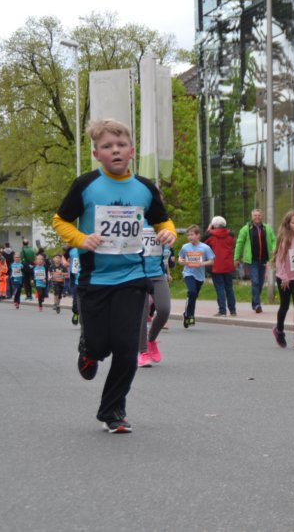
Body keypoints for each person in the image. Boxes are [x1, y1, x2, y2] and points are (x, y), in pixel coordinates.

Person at [52, 118, 176, 434]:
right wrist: (81, 239)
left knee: (126, 348)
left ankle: (113, 410)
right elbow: (60, 221)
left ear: (132, 151)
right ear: (97, 154)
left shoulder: (144, 188)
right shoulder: (85, 185)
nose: (116, 150)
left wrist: (169, 233)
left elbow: (163, 221)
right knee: (99, 345)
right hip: (94, 278)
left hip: (132, 277)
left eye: (121, 145)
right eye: (108, 146)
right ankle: (88, 352)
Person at [137, 219, 173, 367]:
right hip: (138, 274)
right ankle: (142, 351)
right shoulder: (135, 219)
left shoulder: (162, 223)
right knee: (142, 313)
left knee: (164, 310)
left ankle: (151, 340)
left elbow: (167, 249)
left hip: (157, 274)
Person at [272, 210, 294, 349]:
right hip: (284, 278)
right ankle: (279, 330)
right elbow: (280, 260)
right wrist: (284, 277)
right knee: (285, 305)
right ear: (288, 224)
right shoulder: (284, 239)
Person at [234, 208, 276, 313]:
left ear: (262, 216)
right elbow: (239, 243)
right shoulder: (246, 229)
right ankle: (257, 304)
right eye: (255, 215)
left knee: (261, 282)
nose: (257, 217)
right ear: (252, 217)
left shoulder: (267, 228)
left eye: (259, 215)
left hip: (263, 259)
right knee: (255, 282)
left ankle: (254, 302)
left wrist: (274, 250)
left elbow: (273, 240)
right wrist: (236, 258)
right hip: (252, 260)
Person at [178, 224, 214, 329]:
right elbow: (180, 259)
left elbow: (211, 261)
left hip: (200, 276)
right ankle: (190, 315)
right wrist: (181, 261)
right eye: (188, 235)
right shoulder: (185, 247)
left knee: (193, 296)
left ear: (198, 235)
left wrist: (202, 263)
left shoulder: (205, 248)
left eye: (192, 234)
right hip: (188, 273)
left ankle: (186, 314)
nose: (190, 237)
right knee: (191, 292)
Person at [202, 215, 237, 317]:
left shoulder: (211, 235)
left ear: (213, 225)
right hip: (228, 265)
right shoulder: (230, 235)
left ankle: (222, 310)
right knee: (229, 288)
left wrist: (208, 230)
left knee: (219, 288)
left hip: (216, 266)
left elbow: (202, 243)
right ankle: (233, 310)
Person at [68, 245, 81, 325]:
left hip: (90, 281)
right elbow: (73, 270)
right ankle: (76, 313)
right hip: (77, 281)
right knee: (76, 302)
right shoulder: (74, 251)